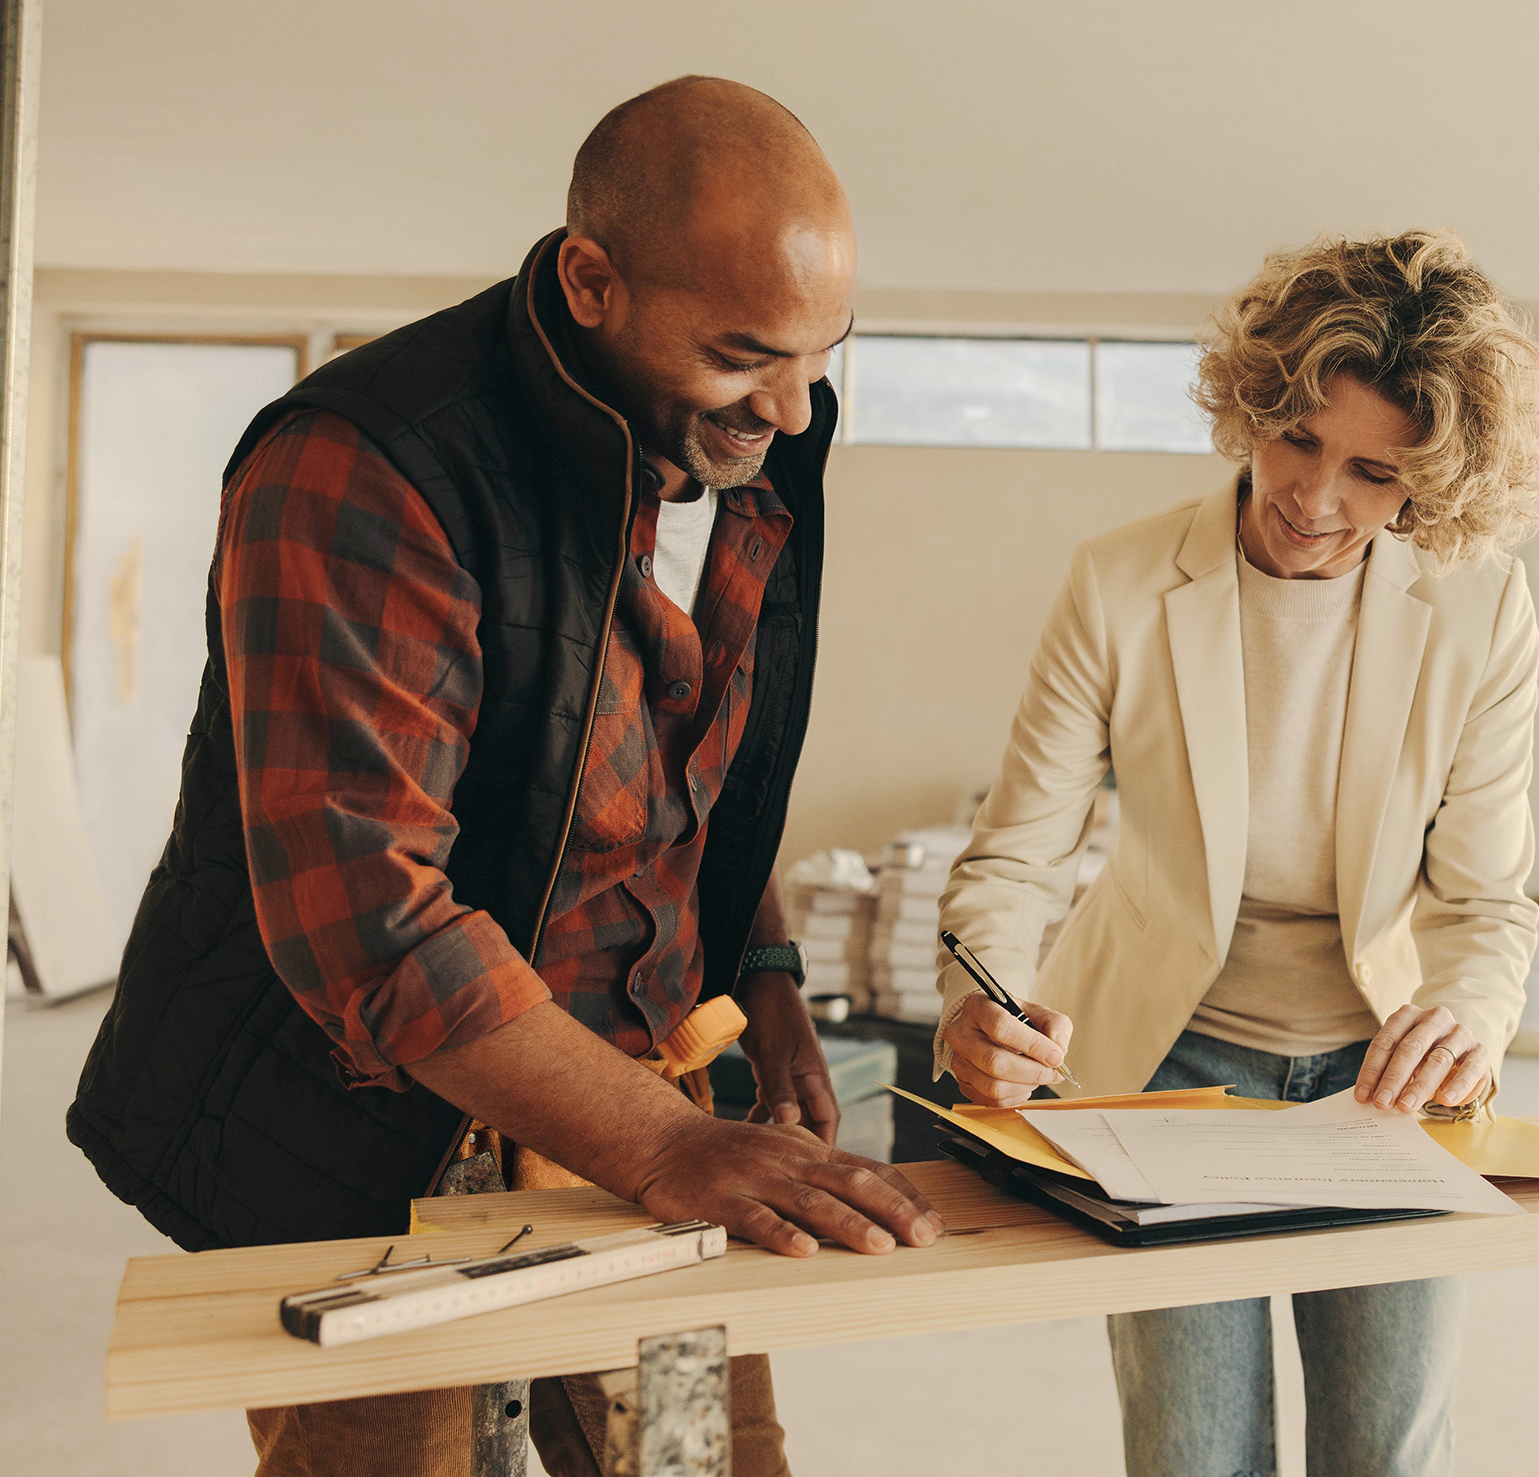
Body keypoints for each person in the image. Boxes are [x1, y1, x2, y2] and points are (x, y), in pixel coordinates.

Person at [66, 77, 940, 1477]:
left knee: (702, 1463)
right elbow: (370, 919)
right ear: (593, 281)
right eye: (742, 353)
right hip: (365, 1135)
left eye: (823, 350)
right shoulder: (366, 466)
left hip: (645, 1087)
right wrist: (663, 1142)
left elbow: (696, 747)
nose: (791, 403)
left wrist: (766, 974)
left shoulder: (741, 434)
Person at [935, 230, 1539, 1477]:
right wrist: (977, 1002)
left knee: (1385, 1452)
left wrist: (1474, 1019)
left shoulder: (1482, 607)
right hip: (1164, 1062)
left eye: (1373, 472)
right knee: (1192, 1456)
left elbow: (1488, 902)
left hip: (1384, 1076)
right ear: (1253, 404)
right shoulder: (1116, 583)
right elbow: (1013, 859)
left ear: (1427, 488)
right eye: (1298, 439)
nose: (1314, 499)